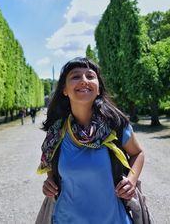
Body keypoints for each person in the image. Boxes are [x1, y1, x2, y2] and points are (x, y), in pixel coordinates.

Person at [37, 57, 144, 223]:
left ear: (99, 88)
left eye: (90, 76)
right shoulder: (56, 132)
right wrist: (50, 180)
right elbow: (50, 160)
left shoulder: (115, 125)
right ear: (64, 90)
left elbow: (138, 153)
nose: (84, 81)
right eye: (75, 76)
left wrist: (131, 180)